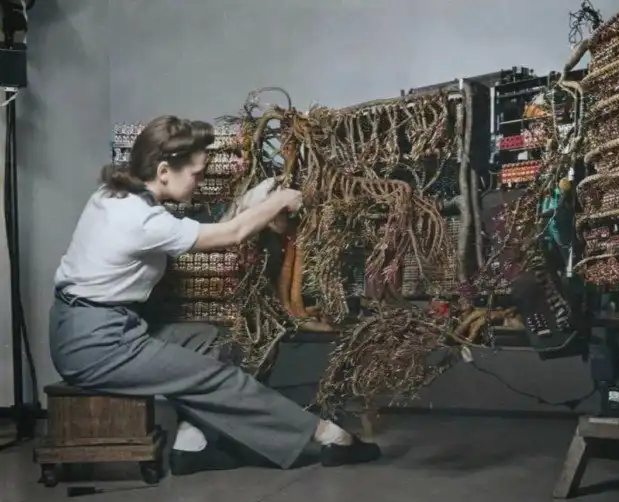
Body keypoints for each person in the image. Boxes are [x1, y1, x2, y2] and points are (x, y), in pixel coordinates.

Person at [49, 115, 381, 476]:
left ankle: (192, 445)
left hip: (98, 326)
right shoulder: (140, 220)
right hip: (97, 344)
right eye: (196, 173)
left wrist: (248, 205)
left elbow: (207, 231)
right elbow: (232, 234)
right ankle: (328, 436)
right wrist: (278, 201)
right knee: (217, 377)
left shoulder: (115, 196)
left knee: (210, 341)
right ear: (163, 171)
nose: (200, 181)